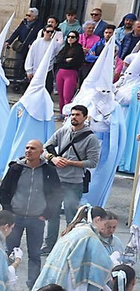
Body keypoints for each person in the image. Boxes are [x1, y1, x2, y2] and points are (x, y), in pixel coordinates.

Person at [0, 140, 59, 287]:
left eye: (32, 148)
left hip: (36, 219)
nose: (28, 151)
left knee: (35, 255)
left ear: (40, 152)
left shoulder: (48, 170)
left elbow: (57, 193)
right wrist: (8, 211)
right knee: (9, 252)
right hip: (15, 218)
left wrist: (46, 214)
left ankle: (33, 286)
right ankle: (4, 281)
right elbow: (3, 190)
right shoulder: (15, 168)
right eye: (27, 148)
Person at [43, 103, 100, 246]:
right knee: (52, 215)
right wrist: (53, 158)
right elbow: (44, 149)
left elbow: (92, 162)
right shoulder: (63, 131)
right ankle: (49, 245)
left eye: (77, 115)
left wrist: (70, 163)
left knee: (72, 216)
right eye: (72, 114)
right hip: (56, 180)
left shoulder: (91, 138)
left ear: (85, 117)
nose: (74, 117)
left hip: (74, 182)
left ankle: (69, 245)